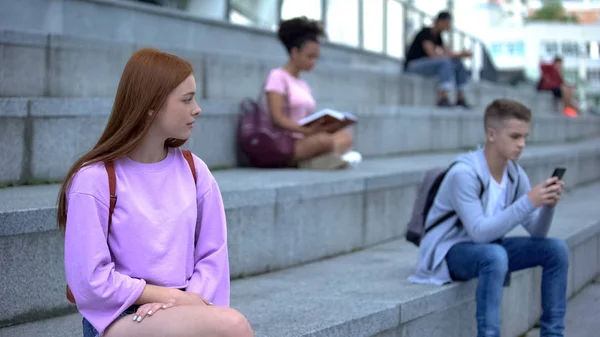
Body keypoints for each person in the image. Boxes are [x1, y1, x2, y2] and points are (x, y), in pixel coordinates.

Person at [57, 48, 254, 337]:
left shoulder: (195, 171)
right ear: (150, 106)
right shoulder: (94, 179)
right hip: (120, 315)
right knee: (233, 325)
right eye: (186, 99)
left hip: (189, 304)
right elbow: (89, 278)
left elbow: (213, 256)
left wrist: (186, 301)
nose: (197, 108)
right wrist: (164, 297)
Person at [409, 99, 569, 337]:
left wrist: (547, 205)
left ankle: (554, 334)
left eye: (525, 137)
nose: (522, 144)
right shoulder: (464, 174)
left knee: (556, 249)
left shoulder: (514, 174)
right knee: (494, 255)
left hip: (487, 249)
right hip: (447, 251)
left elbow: (537, 233)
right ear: (491, 134)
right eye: (515, 137)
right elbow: (479, 233)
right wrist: (529, 201)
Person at [264, 16, 361, 170]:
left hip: (307, 136)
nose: (313, 62)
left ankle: (323, 159)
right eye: (310, 56)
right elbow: (278, 118)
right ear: (295, 52)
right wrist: (304, 130)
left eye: (316, 57)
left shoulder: (303, 84)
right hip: (288, 141)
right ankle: (328, 158)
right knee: (324, 141)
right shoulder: (277, 76)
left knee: (345, 137)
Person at [404, 11, 472, 108]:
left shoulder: (439, 37)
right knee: (445, 62)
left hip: (425, 65)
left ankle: (460, 98)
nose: (448, 26)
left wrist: (460, 55)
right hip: (413, 66)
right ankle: (443, 98)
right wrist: (456, 55)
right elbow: (432, 54)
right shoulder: (426, 33)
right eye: (447, 23)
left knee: (457, 63)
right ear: (439, 21)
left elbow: (448, 53)